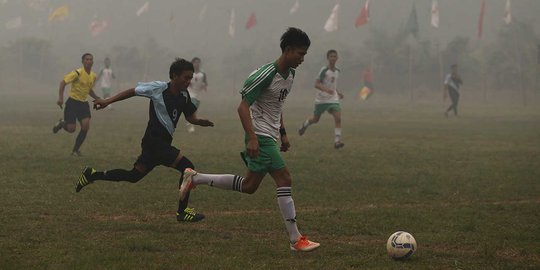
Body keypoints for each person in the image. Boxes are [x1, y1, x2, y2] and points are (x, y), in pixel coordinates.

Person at [178, 27, 320, 252]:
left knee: (250, 185)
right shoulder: (265, 74)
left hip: (270, 135)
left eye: (305, 54)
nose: (303, 59)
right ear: (288, 50)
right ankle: (296, 239)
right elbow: (242, 107)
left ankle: (195, 178)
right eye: (300, 54)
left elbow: (276, 106)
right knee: (284, 179)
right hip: (260, 135)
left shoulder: (290, 74)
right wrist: (252, 138)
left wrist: (282, 132)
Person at [75, 58, 214, 222]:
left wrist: (199, 122)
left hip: (157, 145)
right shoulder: (158, 88)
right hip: (155, 142)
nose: (189, 81)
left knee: (133, 176)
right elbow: (132, 91)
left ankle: (92, 175)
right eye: (186, 77)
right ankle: (182, 212)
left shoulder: (184, 95)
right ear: (174, 76)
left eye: (191, 78)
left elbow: (190, 117)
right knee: (187, 168)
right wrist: (107, 101)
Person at [52, 53, 100, 156]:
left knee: (85, 127)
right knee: (71, 129)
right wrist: (61, 98)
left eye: (91, 59)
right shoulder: (77, 73)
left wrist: (97, 98)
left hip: (83, 104)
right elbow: (63, 83)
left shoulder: (93, 76)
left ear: (93, 62)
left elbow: (89, 89)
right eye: (87, 59)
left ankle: (75, 150)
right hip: (72, 103)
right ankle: (62, 124)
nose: (89, 61)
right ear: (83, 61)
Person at [298, 49, 344, 149]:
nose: (333, 58)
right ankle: (305, 125)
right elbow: (316, 84)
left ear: (337, 58)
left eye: (335, 56)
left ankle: (337, 141)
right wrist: (326, 90)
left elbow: (333, 85)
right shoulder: (324, 70)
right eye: (331, 56)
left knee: (338, 118)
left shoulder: (337, 71)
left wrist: (338, 93)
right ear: (328, 58)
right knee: (315, 119)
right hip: (322, 99)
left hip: (333, 98)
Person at [186, 57, 208, 132]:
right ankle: (190, 124)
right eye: (195, 62)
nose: (197, 64)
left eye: (198, 62)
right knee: (192, 106)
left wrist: (204, 87)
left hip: (198, 93)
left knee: (195, 108)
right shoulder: (189, 73)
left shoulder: (202, 74)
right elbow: (185, 81)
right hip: (190, 92)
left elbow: (205, 83)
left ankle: (191, 121)